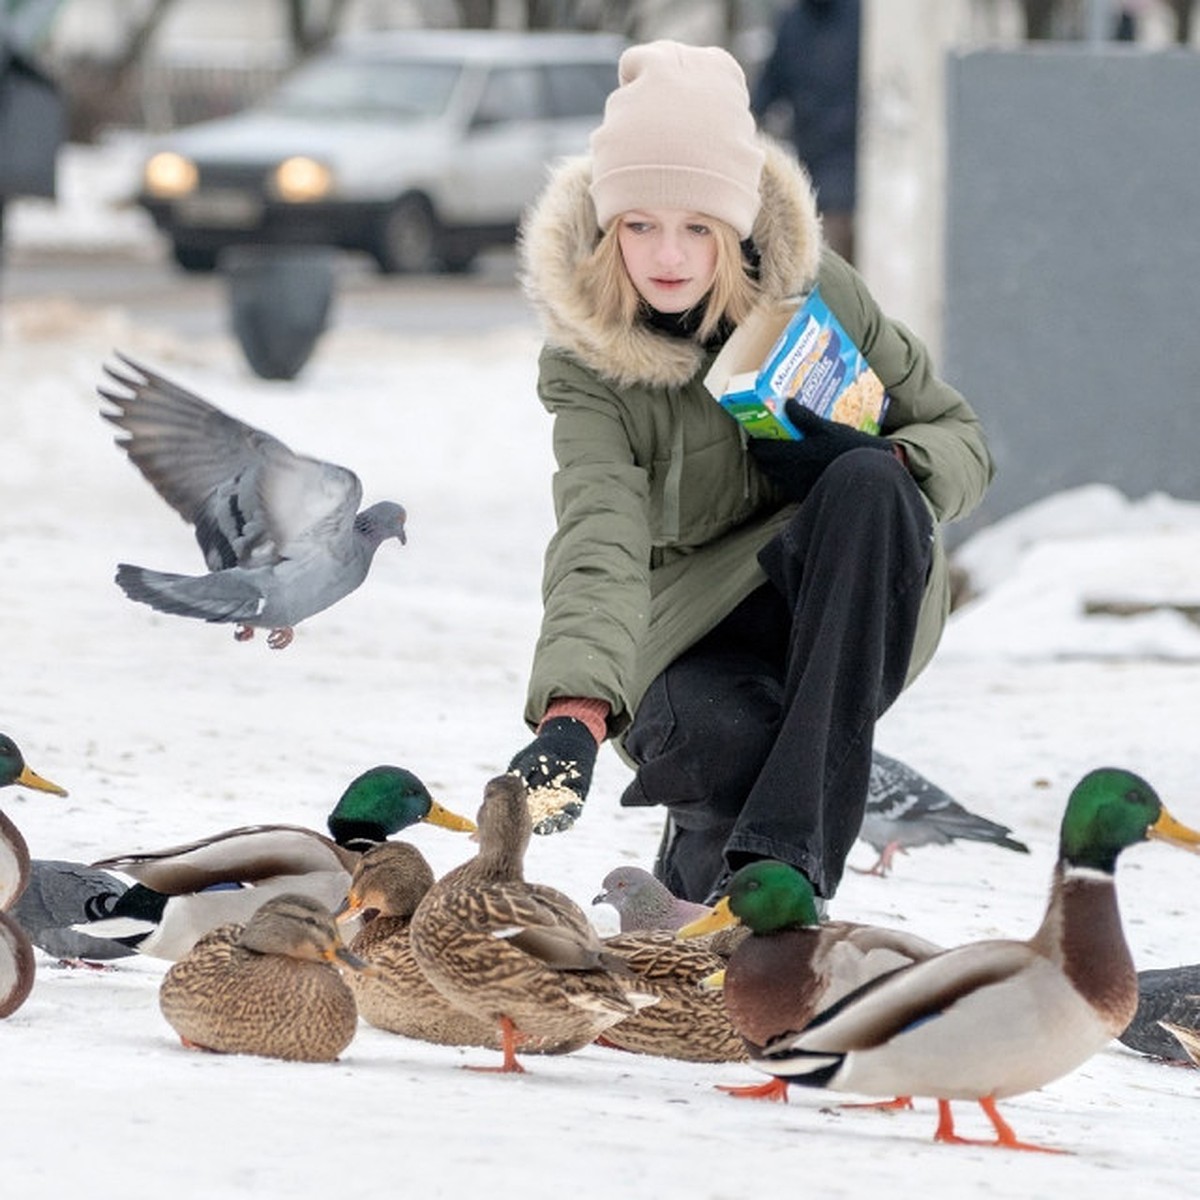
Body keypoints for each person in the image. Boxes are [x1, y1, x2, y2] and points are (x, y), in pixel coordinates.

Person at [506, 40, 994, 909]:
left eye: (698, 226)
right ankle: (689, 926)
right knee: (725, 744)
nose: (669, 255)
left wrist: (879, 456)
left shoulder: (816, 293)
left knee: (873, 485)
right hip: (686, 628)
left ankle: (782, 869)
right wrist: (574, 710)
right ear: (607, 224)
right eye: (640, 224)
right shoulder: (586, 362)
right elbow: (599, 532)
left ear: (734, 225)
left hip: (844, 597)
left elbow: (960, 439)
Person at [750, 0, 861, 262]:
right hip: (813, 165)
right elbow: (770, 85)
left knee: (832, 260)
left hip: (852, 164)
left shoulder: (860, 19)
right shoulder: (792, 23)